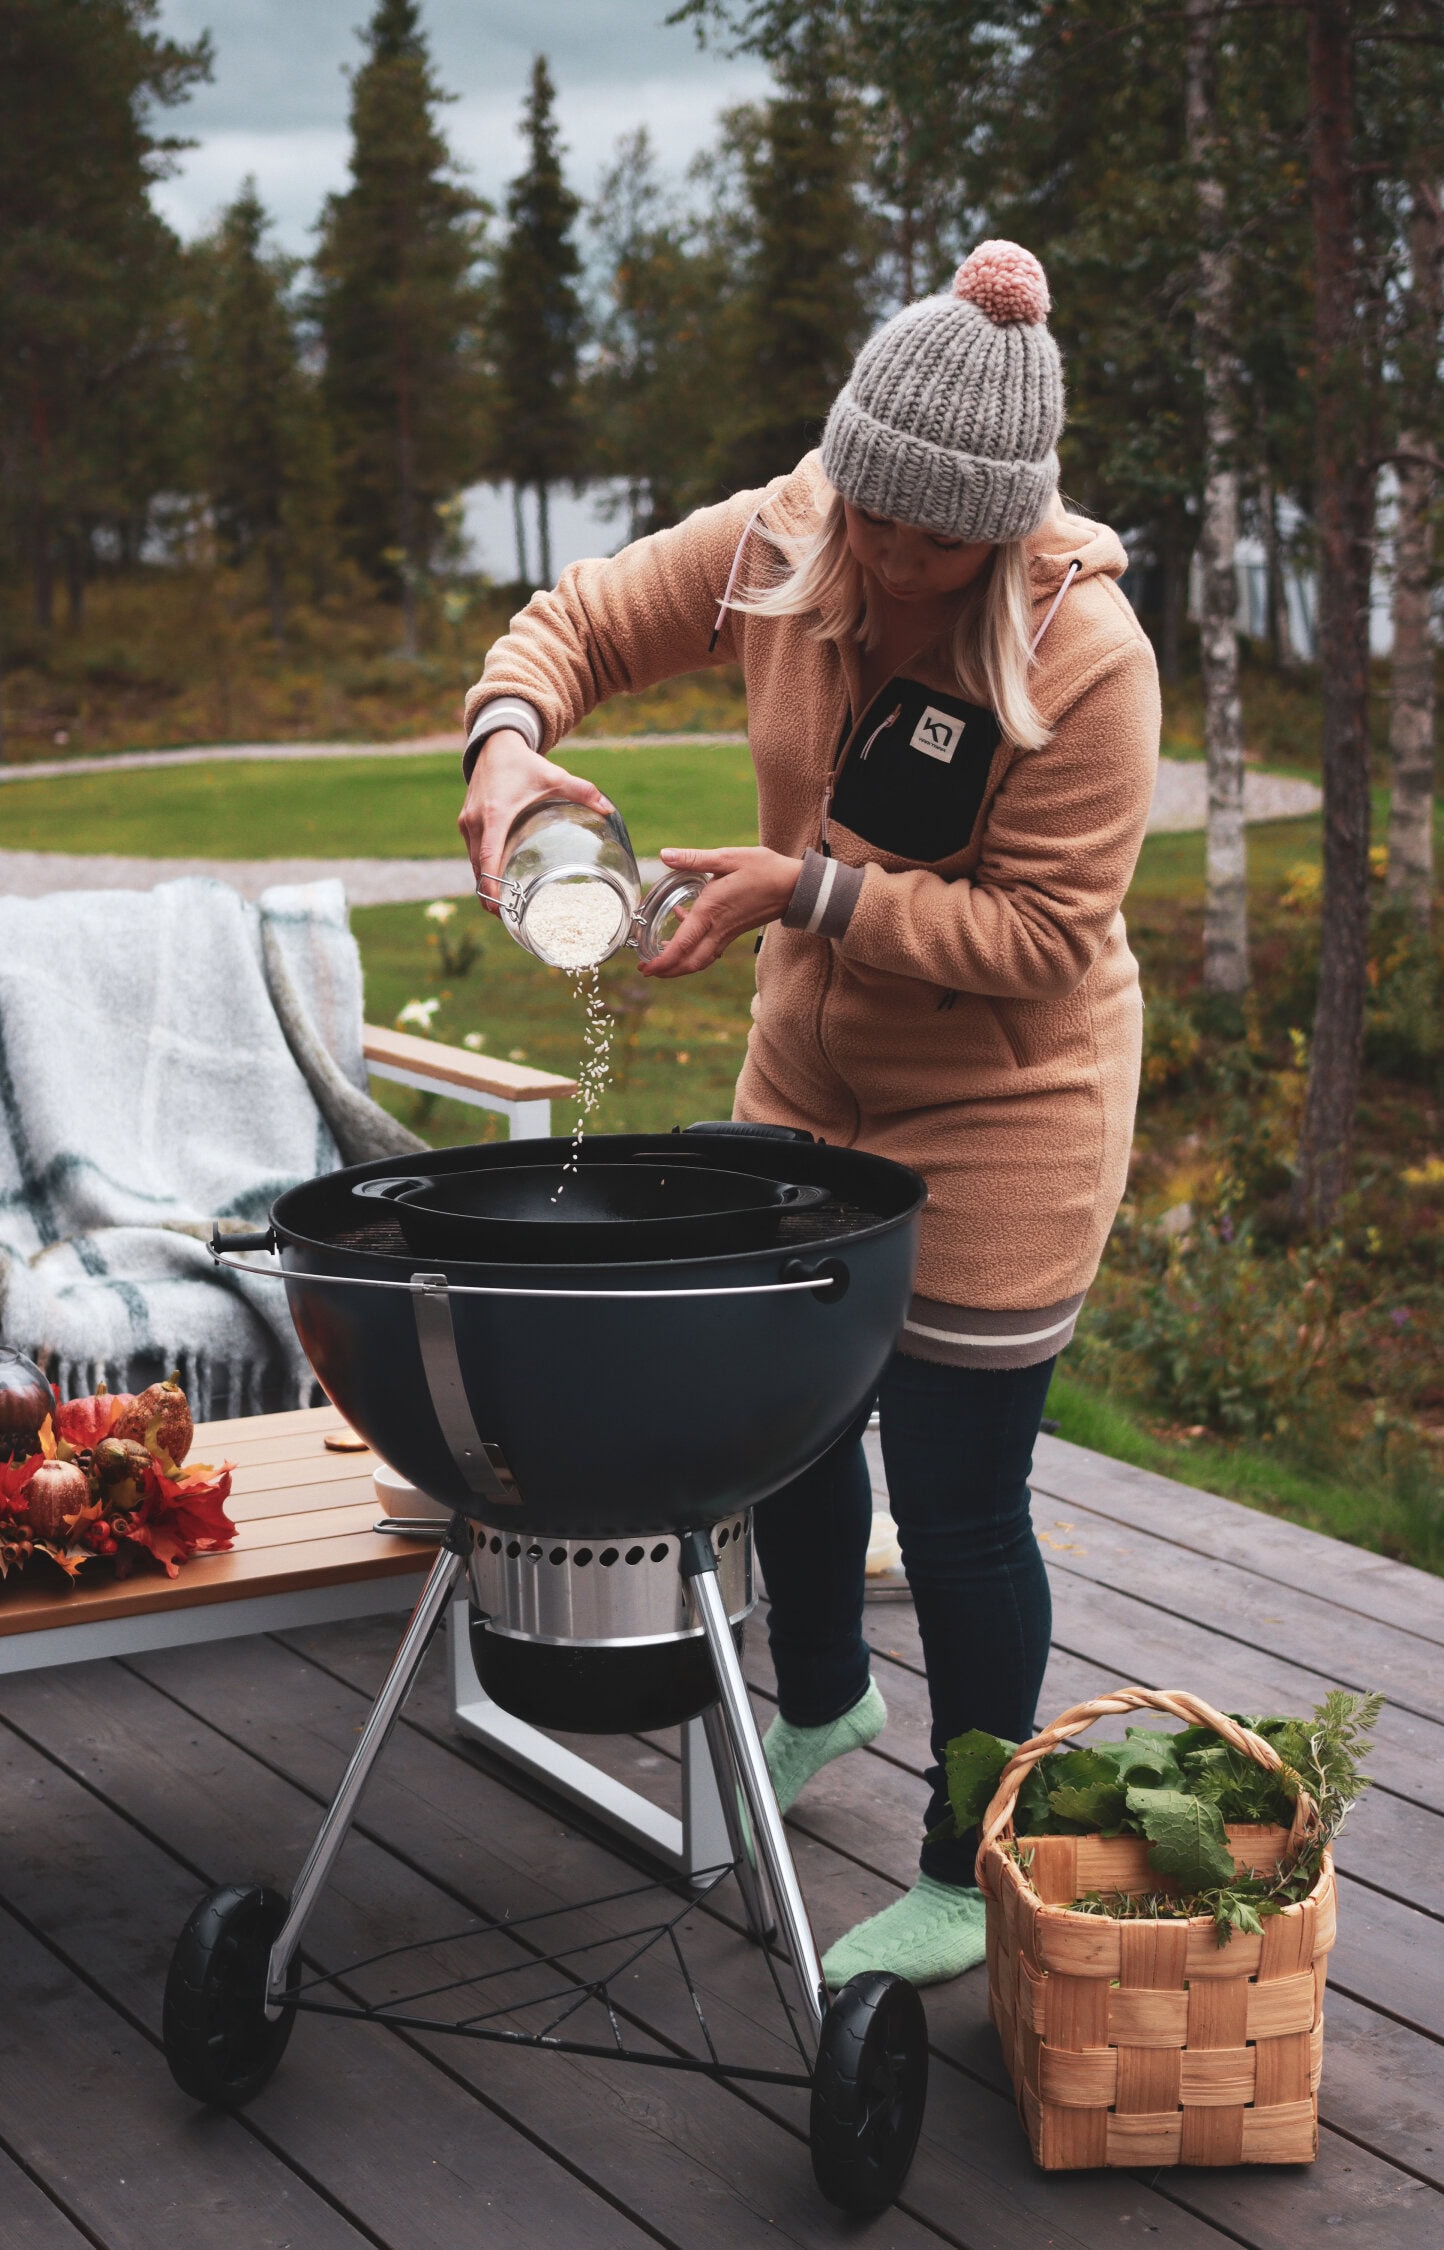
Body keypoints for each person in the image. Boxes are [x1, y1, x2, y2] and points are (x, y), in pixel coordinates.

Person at [459, 240, 1160, 1986]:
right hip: (810, 1079)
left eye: (928, 539)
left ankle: (964, 1851)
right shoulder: (797, 527)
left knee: (961, 1487)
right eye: (868, 511)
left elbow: (1046, 937)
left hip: (1014, 1110)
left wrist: (812, 894)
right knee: (788, 1421)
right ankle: (828, 1700)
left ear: (1001, 529)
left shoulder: (1088, 653)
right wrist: (502, 734)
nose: (883, 556)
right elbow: (583, 618)